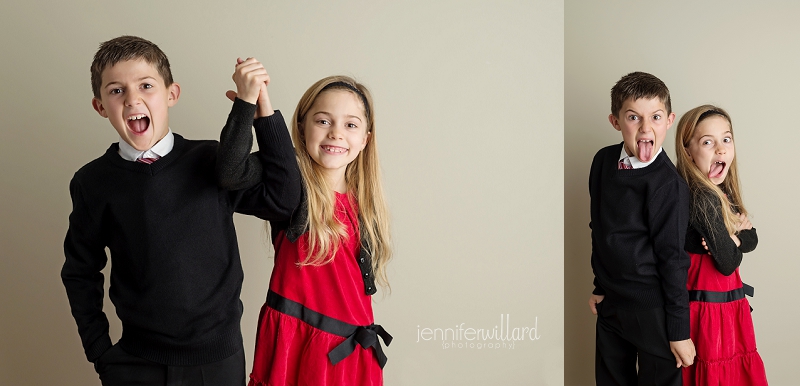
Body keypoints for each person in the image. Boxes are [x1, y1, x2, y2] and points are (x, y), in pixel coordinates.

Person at [61, 36, 301, 385]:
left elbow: (284, 198)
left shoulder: (212, 161)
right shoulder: (92, 182)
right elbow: (80, 271)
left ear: (171, 94)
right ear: (100, 106)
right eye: (116, 91)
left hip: (218, 362)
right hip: (135, 362)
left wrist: (262, 110)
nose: (132, 99)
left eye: (146, 85)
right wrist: (100, 352)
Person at [218, 75, 393, 386]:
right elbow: (230, 172)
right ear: (301, 127)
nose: (336, 133)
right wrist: (254, 107)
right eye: (323, 120)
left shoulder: (365, 200)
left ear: (366, 138)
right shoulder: (290, 187)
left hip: (352, 356)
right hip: (299, 351)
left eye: (350, 125)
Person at [588, 71, 695, 385]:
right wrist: (599, 285)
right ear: (616, 121)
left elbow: (673, 259)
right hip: (611, 303)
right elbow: (600, 228)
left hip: (653, 310)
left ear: (669, 120)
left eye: (656, 117)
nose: (646, 127)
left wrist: (678, 330)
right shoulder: (603, 162)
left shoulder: (669, 186)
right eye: (634, 117)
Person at [674, 105, 768, 385]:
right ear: (688, 150)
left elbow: (752, 238)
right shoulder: (703, 197)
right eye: (707, 142)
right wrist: (730, 241)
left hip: (724, 305)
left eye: (726, 139)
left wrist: (733, 238)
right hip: (707, 309)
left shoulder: (722, 192)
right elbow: (728, 262)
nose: (720, 149)